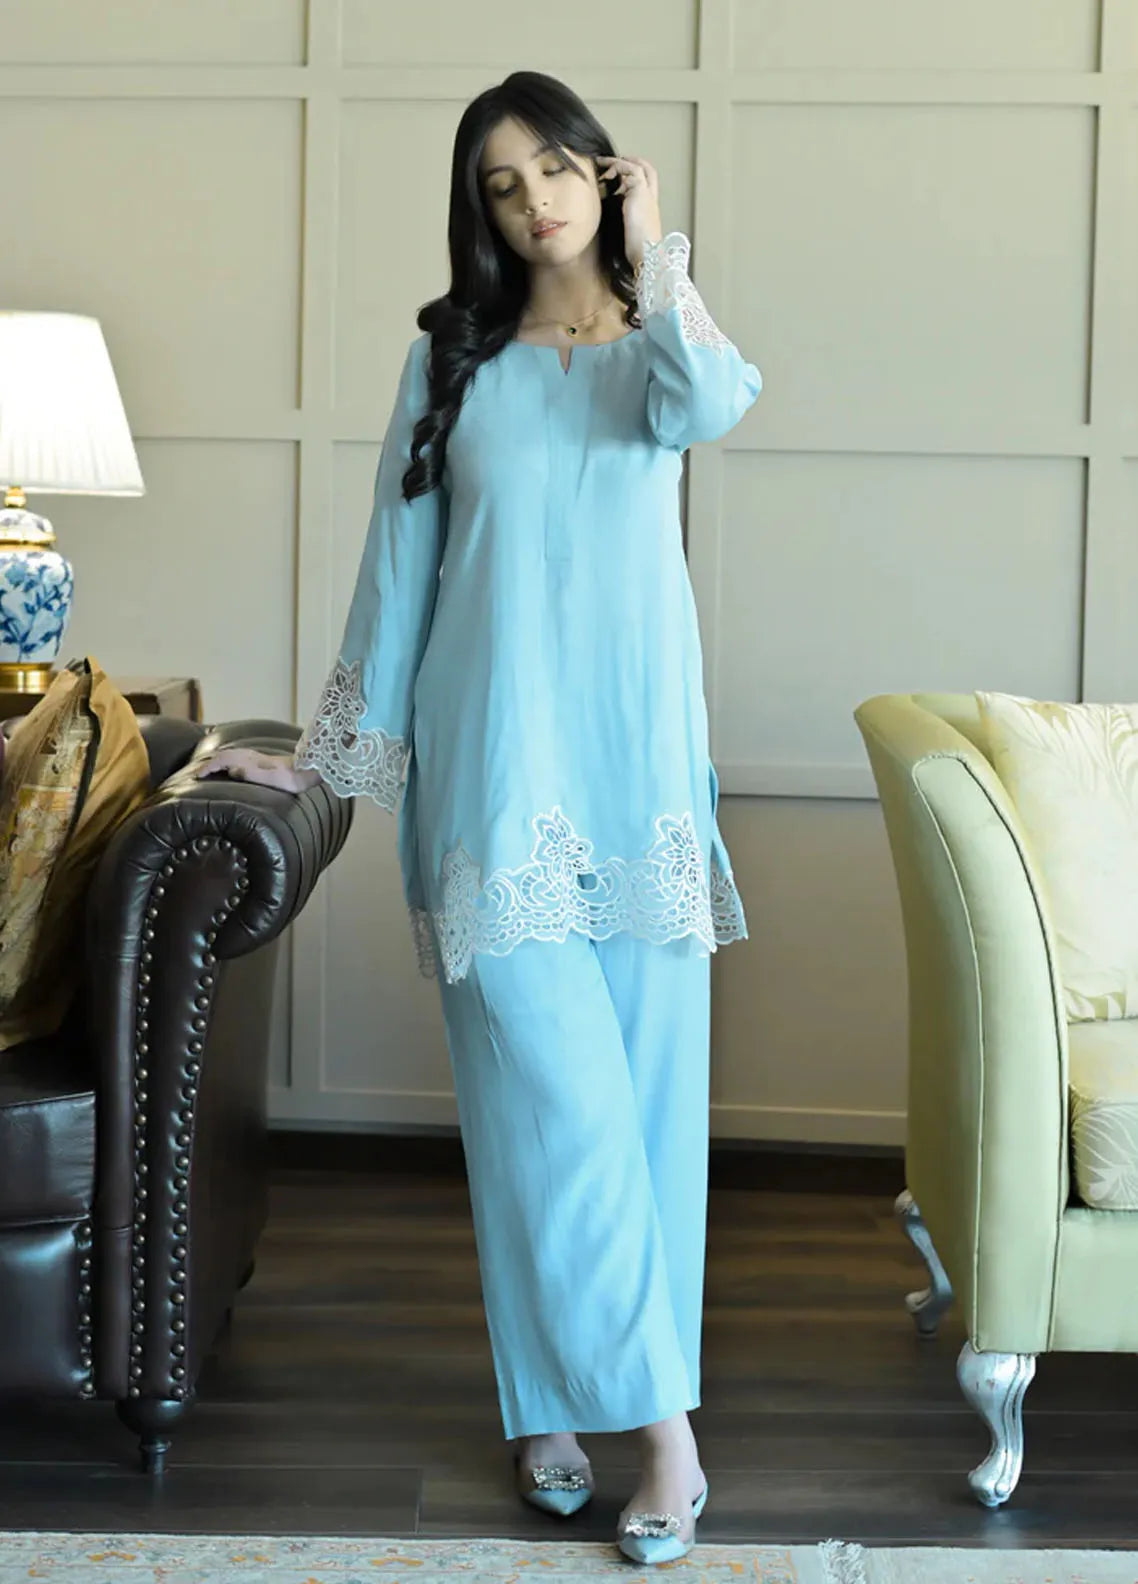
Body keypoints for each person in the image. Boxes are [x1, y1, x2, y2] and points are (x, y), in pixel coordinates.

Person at [194, 68, 762, 1566]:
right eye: (500, 187)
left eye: (554, 169)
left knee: (636, 1117)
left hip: (640, 780)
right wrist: (325, 762)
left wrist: (654, 249)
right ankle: (669, 1439)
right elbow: (396, 574)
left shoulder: (656, 348)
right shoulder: (450, 358)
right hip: (492, 779)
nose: (531, 203)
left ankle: (548, 1409)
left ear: (600, 171)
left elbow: (716, 404)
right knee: (549, 1106)